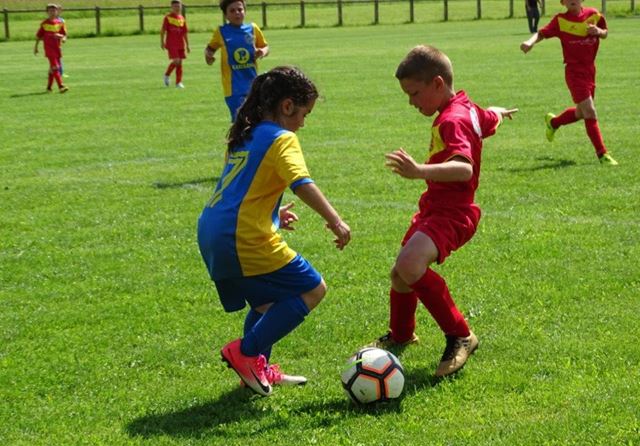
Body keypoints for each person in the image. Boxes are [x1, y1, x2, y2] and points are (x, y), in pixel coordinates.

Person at [198, 66, 351, 396]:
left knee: (267, 301)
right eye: (304, 114)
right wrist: (335, 220)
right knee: (313, 289)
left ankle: (255, 369)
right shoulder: (282, 138)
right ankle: (246, 353)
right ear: (287, 106)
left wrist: (273, 212)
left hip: (214, 229)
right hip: (241, 236)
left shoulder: (246, 134)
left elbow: (241, 188)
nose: (303, 123)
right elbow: (301, 182)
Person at [370, 45, 516, 378]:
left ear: (437, 83)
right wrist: (499, 113)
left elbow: (464, 169)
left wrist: (418, 171)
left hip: (453, 213)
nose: (411, 102)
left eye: (414, 93)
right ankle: (401, 335)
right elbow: (486, 118)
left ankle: (461, 335)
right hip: (434, 208)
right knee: (400, 274)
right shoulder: (465, 107)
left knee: (410, 265)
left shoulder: (453, 120)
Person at [520, 0, 617, 165]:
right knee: (590, 112)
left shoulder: (594, 14)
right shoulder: (560, 20)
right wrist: (530, 42)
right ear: (563, 2)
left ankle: (553, 122)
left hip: (590, 71)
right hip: (574, 72)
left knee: (581, 113)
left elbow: (605, 33)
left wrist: (599, 31)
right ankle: (602, 154)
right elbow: (541, 33)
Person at [204, 0, 269, 121]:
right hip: (233, 88)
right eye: (232, 11)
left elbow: (265, 47)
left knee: (257, 119)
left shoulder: (253, 29)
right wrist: (209, 57)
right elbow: (210, 49)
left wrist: (262, 52)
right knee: (241, 121)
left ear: (245, 11)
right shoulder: (221, 31)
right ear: (226, 15)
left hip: (253, 84)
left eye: (240, 9)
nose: (237, 13)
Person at [34, 3, 68, 93]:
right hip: (49, 48)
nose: (52, 12)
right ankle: (61, 86)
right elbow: (38, 36)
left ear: (57, 12)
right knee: (56, 67)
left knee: (52, 68)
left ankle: (49, 88)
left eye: (54, 10)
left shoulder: (60, 23)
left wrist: (62, 38)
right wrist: (36, 47)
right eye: (50, 11)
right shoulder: (44, 24)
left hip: (57, 48)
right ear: (47, 12)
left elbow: (64, 35)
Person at [161, 0, 190, 88]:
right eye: (175, 6)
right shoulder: (167, 18)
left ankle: (178, 82)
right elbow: (163, 31)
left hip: (180, 44)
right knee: (176, 61)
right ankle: (167, 75)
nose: (177, 8)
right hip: (171, 44)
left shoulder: (182, 18)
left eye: (179, 6)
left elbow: (185, 33)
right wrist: (162, 42)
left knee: (179, 63)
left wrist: (187, 45)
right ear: (171, 7)